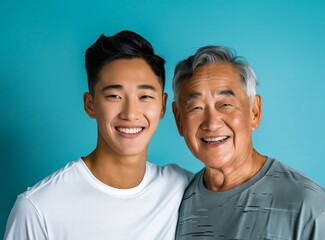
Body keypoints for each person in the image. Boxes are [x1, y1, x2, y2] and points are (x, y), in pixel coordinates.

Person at [4, 30, 192, 240]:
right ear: (90, 104)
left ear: (163, 106)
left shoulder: (183, 189)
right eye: (114, 96)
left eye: (145, 96)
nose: (130, 113)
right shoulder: (38, 208)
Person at [172, 46, 325, 239]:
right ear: (179, 120)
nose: (212, 123)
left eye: (226, 104)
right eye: (196, 107)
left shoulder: (307, 204)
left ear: (255, 112)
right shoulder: (174, 204)